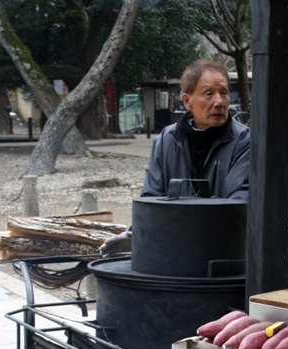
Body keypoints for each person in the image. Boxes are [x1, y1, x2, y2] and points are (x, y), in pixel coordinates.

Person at [100, 59, 250, 256]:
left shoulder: (244, 141)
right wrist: (137, 234)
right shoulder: (167, 139)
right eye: (208, 94)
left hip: (226, 253)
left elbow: (237, 207)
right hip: (174, 253)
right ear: (188, 101)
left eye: (224, 92)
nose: (219, 102)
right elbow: (153, 198)